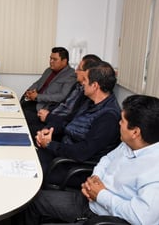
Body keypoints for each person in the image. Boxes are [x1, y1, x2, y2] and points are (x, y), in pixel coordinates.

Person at [17, 94, 159, 225]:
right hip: (88, 199)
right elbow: (107, 159)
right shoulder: (129, 144)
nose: (119, 123)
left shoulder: (154, 170)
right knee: (32, 202)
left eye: (122, 120)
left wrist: (101, 195)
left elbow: (140, 217)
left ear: (135, 132)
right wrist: (94, 179)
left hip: (104, 218)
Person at [35, 61, 121, 188]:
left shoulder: (108, 117)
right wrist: (49, 130)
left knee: (30, 170)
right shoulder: (90, 101)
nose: (82, 82)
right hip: (63, 153)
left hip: (74, 167)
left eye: (85, 79)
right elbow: (67, 122)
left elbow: (83, 152)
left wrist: (50, 144)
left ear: (95, 85)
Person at [21, 47, 76, 137]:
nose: (51, 61)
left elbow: (62, 96)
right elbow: (38, 83)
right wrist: (29, 91)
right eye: (50, 58)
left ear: (64, 61)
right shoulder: (48, 70)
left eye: (54, 59)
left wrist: (38, 96)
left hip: (45, 107)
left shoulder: (71, 75)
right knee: (18, 108)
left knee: (22, 116)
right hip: (35, 101)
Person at [36, 54, 102, 129]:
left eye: (79, 69)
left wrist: (49, 117)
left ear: (88, 72)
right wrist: (47, 112)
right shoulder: (77, 85)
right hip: (52, 118)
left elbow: (70, 120)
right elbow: (63, 104)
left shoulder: (88, 94)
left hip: (58, 126)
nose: (75, 71)